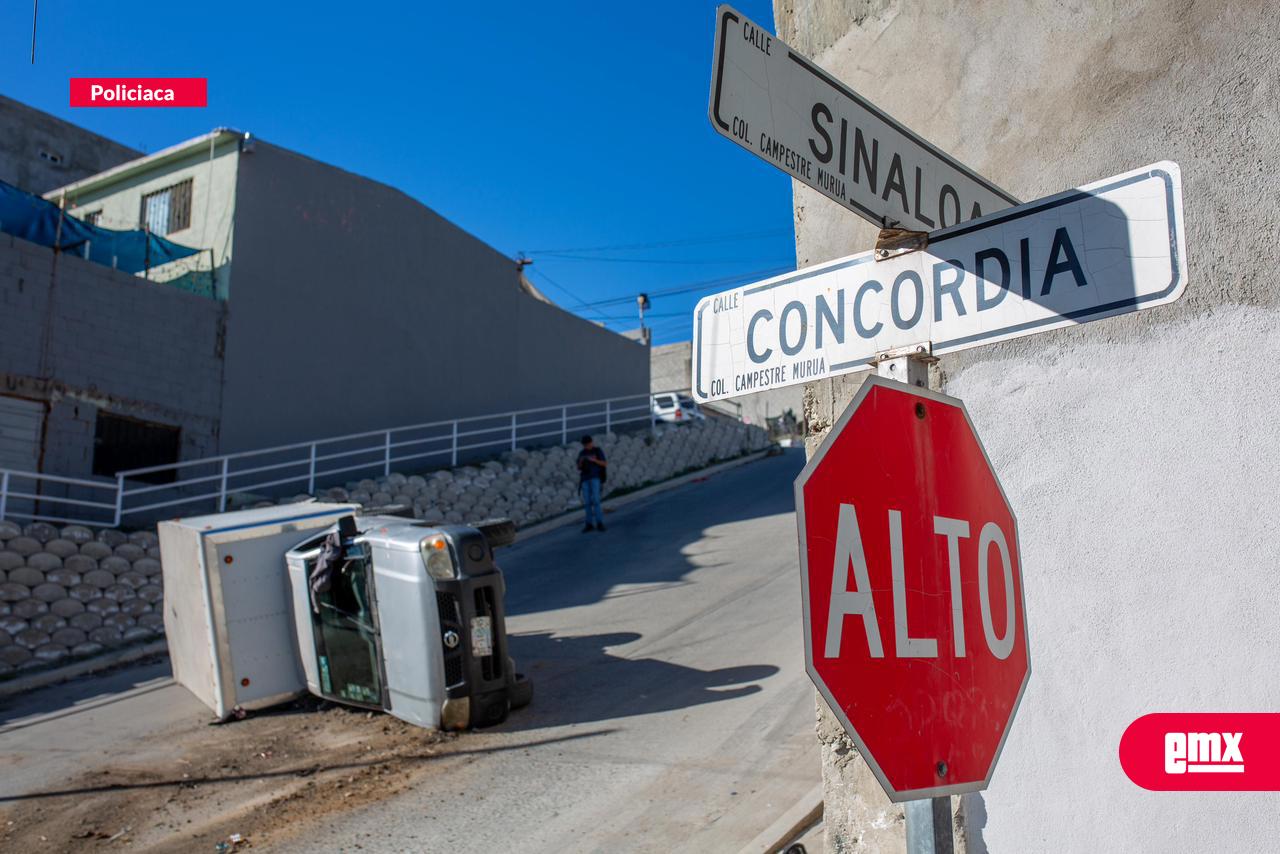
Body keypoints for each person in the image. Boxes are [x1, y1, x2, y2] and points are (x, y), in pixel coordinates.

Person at [577, 434, 607, 532]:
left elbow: (604, 463)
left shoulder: (597, 450)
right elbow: (578, 467)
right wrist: (581, 462)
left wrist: (594, 460)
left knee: (596, 501)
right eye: (585, 445)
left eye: (588, 444)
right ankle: (589, 524)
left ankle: (599, 523)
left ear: (591, 442)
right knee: (587, 503)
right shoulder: (582, 453)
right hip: (585, 479)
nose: (587, 446)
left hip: (595, 478)